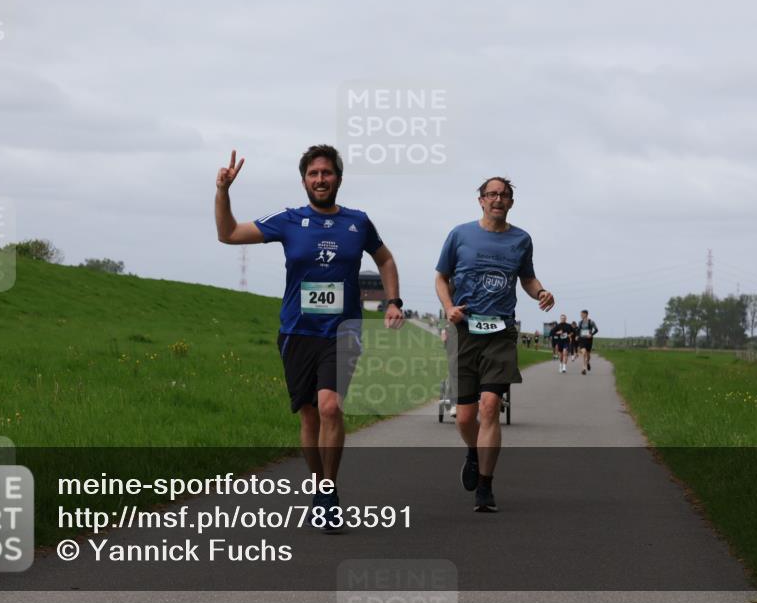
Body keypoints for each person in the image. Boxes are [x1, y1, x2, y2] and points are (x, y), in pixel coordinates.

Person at [215, 145, 405, 531]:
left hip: (343, 330)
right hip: (297, 331)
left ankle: (329, 493)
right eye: (313, 174)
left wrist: (393, 300)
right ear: (304, 180)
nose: (321, 179)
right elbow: (229, 234)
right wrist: (223, 192)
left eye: (327, 173)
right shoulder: (288, 220)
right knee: (308, 414)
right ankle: (319, 485)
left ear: (338, 177)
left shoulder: (358, 222)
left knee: (330, 407)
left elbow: (384, 259)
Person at [435, 177, 555, 512]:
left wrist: (541, 292)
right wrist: (448, 308)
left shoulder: (521, 240)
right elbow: (441, 277)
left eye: (504, 195)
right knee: (464, 416)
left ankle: (485, 488)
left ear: (511, 202)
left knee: (490, 407)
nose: (498, 200)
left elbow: (527, 278)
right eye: (492, 194)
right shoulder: (460, 235)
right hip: (464, 330)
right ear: (481, 200)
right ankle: (474, 453)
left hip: (501, 331)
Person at [578, 310, 599, 374]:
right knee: (583, 353)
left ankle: (588, 362)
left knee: (588, 355)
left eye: (582, 314)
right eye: (580, 314)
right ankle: (584, 368)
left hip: (589, 340)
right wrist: (577, 336)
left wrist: (591, 334)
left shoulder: (591, 322)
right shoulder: (580, 322)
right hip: (582, 339)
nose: (581, 315)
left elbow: (596, 330)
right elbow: (578, 330)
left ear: (586, 314)